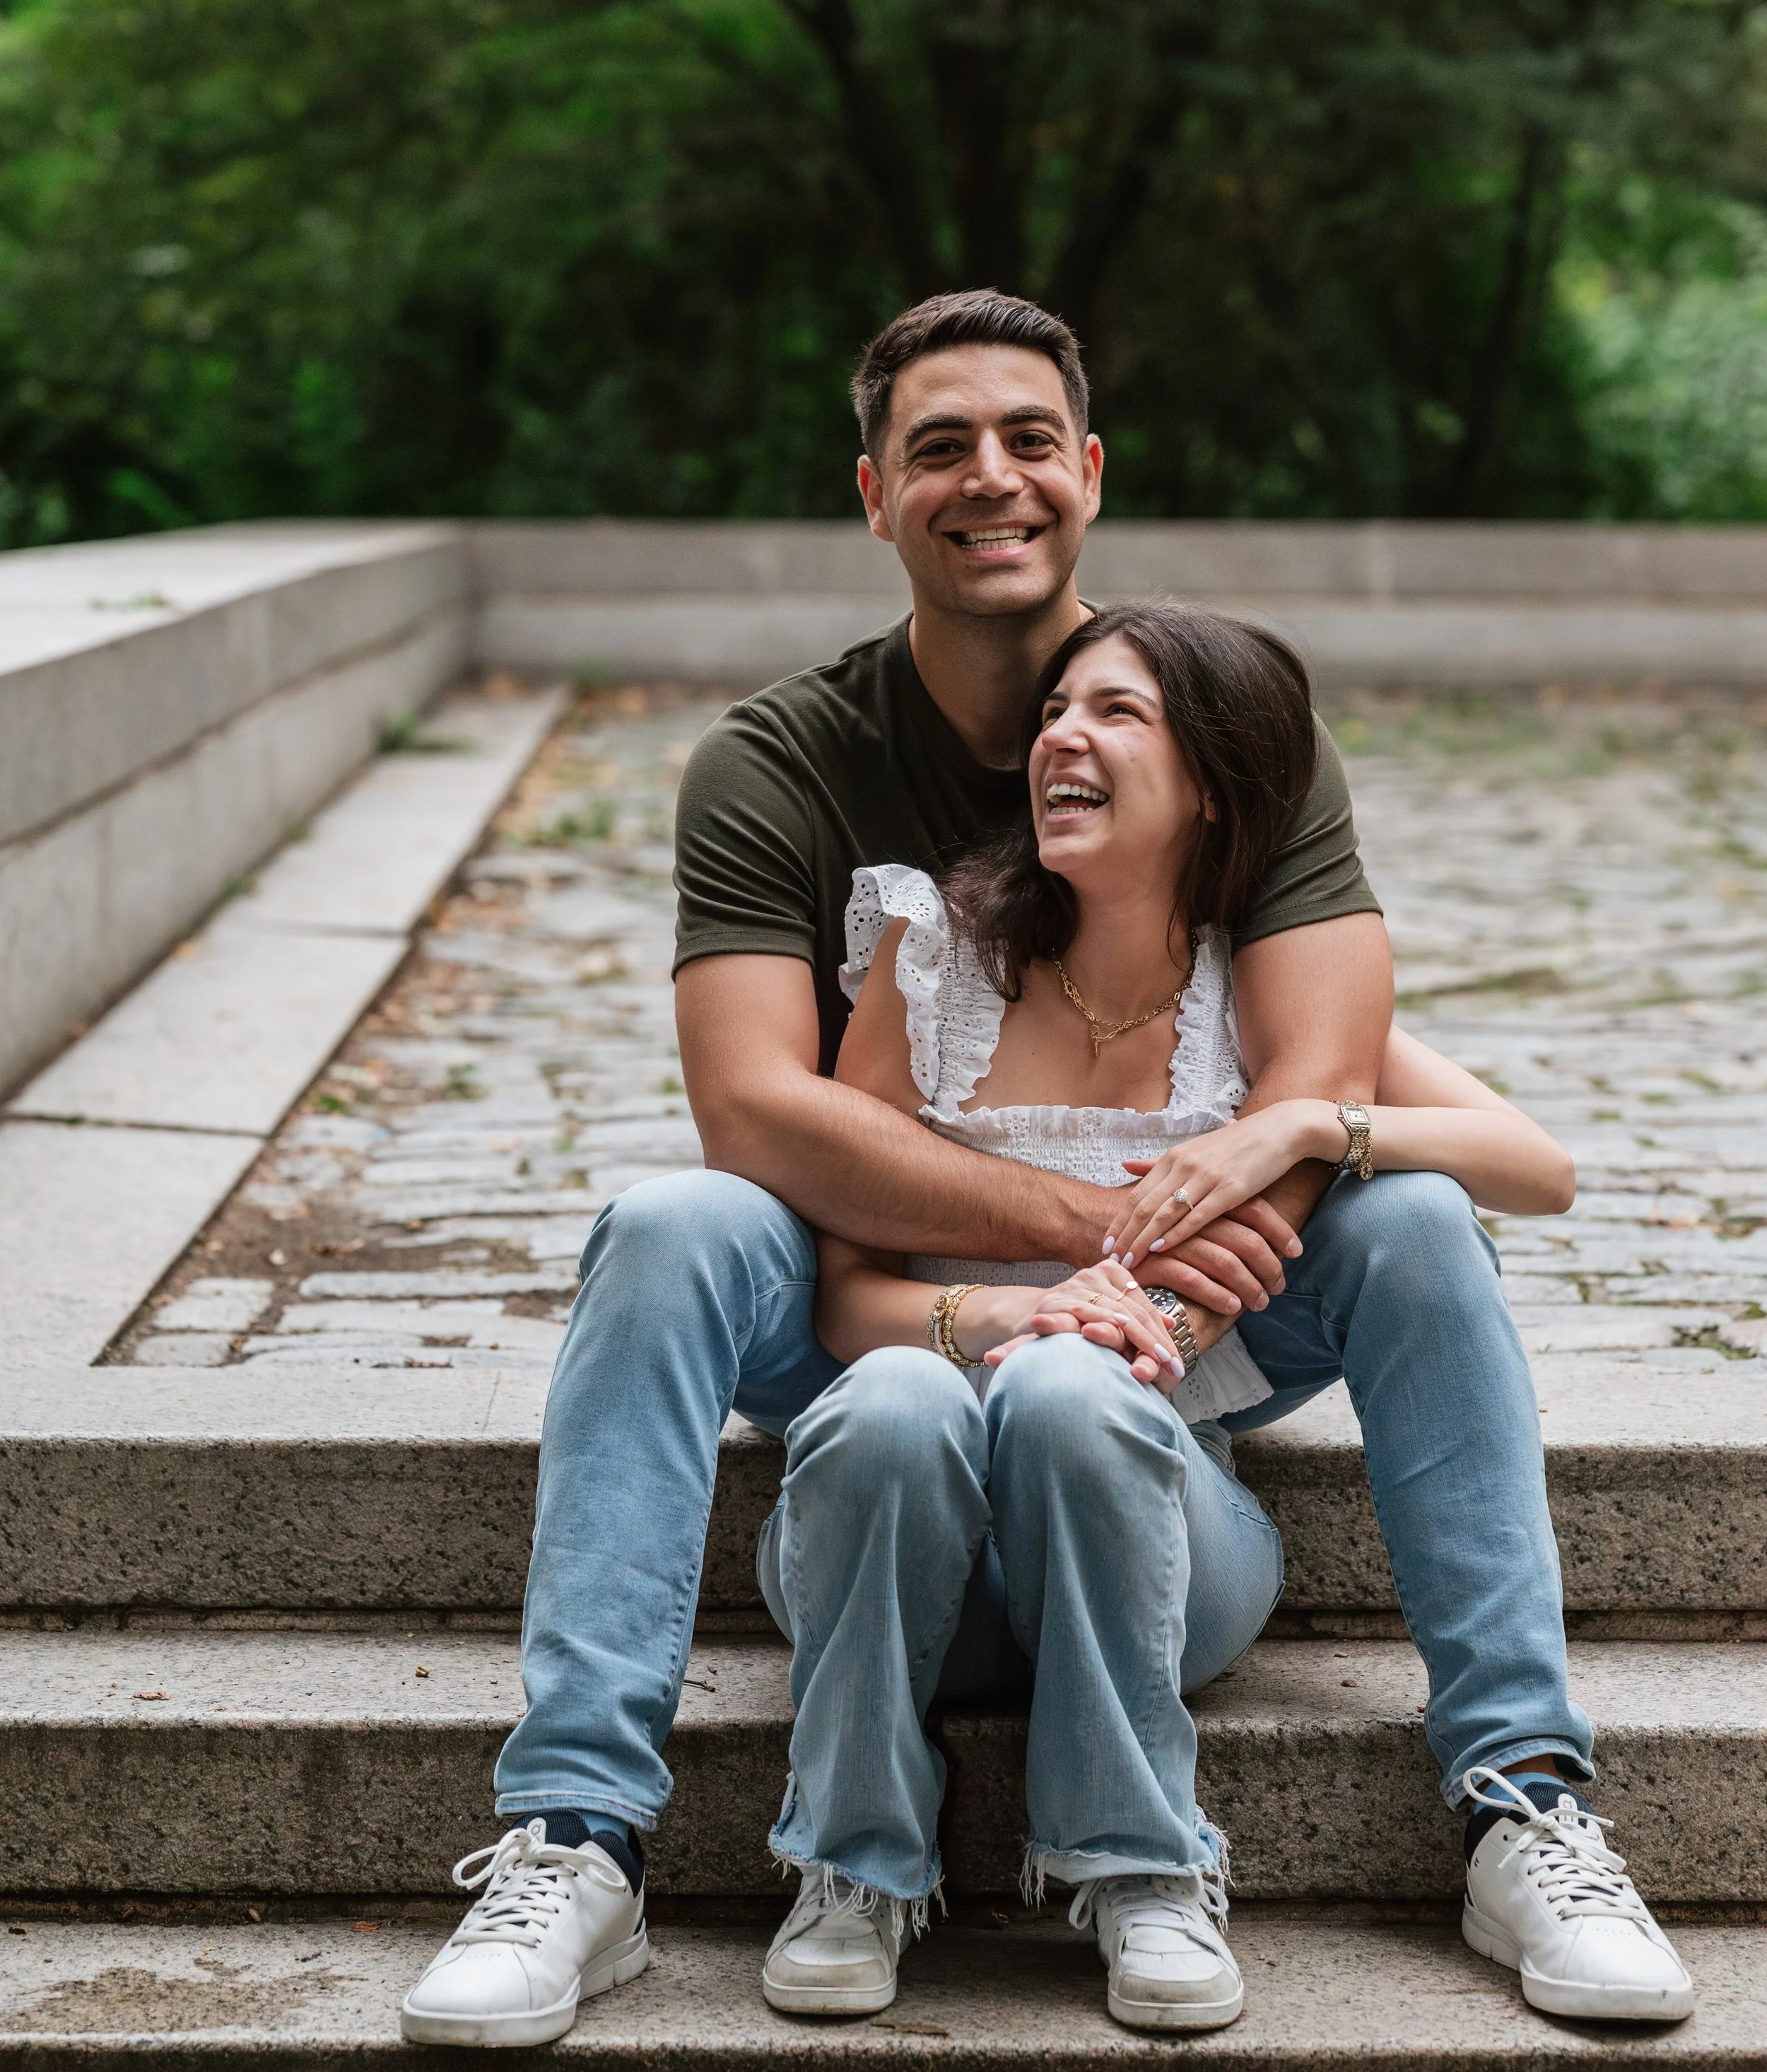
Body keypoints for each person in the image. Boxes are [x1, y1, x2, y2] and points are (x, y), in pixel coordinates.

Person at [399, 293, 1691, 2049]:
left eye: (1024, 440)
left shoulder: (1231, 722)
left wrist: (1189, 1245)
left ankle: (1520, 1802)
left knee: (1414, 1220)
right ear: (872, 492)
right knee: (669, 1225)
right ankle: (576, 1832)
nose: (985, 478)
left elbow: (1315, 1077)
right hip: (890, 1340)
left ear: (1086, 474)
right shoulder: (784, 768)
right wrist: (1099, 1247)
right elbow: (759, 1121)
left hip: (1161, 1381)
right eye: (938, 445)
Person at [756, 602, 1691, 2031]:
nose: (1061, 732)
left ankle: (1517, 1810)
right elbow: (843, 1284)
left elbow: (1536, 1168)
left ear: (1211, 779)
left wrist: (1304, 1123)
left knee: (1408, 1224)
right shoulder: (927, 954)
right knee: (898, 1398)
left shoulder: (1257, 996)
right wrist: (1009, 1314)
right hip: (900, 1530)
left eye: (1116, 713)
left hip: (1155, 1548)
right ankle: (853, 1863)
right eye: (1056, 709)